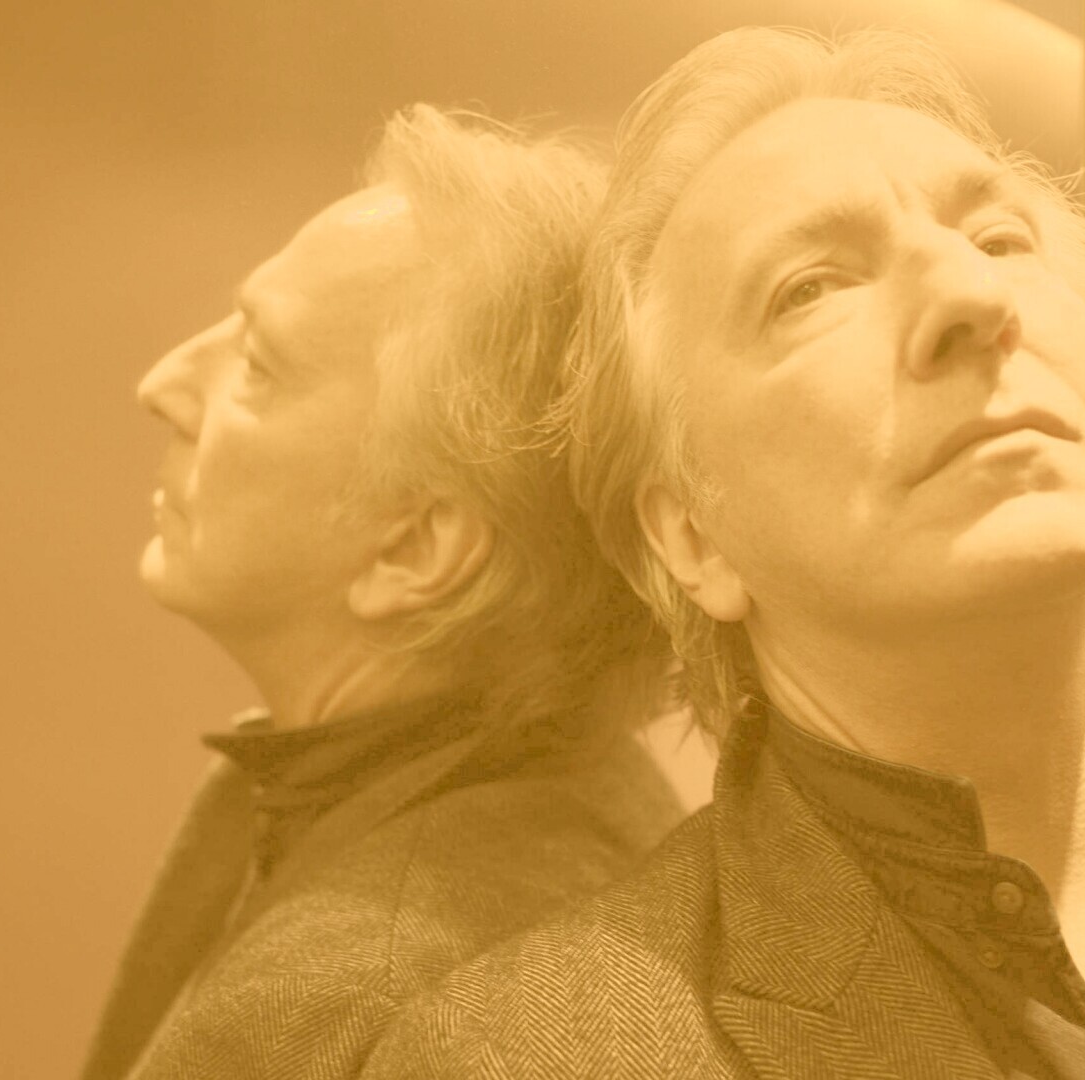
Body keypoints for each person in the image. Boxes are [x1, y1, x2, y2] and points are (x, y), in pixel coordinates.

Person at [363, 28, 1085, 1080]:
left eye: (1000, 240)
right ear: (691, 535)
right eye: (810, 288)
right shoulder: (527, 1057)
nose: (975, 299)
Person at [79, 105, 685, 1080]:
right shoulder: (582, 801)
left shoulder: (358, 1001)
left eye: (259, 365)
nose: (164, 382)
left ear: (414, 547)